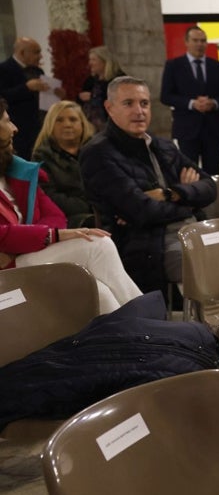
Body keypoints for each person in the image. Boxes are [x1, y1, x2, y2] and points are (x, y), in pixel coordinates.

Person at [80, 76, 219, 304]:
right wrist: (189, 199)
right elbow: (143, 211)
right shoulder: (98, 153)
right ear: (109, 108)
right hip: (151, 244)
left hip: (197, 228)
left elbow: (210, 187)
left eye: (144, 103)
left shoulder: (163, 146)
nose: (139, 111)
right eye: (128, 103)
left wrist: (171, 194)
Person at [0, 100, 142, 314]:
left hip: (24, 256)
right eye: (7, 121)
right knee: (98, 244)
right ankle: (148, 321)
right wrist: (50, 236)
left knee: (97, 289)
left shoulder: (15, 171)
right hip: (7, 271)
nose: (15, 128)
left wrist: (37, 236)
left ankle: (136, 337)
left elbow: (55, 215)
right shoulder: (41, 158)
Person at [160, 26, 219, 175]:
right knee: (190, 173)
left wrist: (213, 103)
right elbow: (165, 96)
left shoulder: (218, 66)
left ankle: (213, 198)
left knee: (213, 173)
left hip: (214, 129)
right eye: (195, 40)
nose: (199, 44)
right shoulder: (174, 66)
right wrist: (191, 103)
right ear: (186, 42)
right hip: (187, 129)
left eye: (203, 41)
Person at [32, 100, 96, 228]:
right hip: (67, 219)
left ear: (82, 124)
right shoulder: (41, 157)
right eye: (59, 120)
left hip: (103, 212)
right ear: (50, 125)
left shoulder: (97, 151)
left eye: (73, 119)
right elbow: (48, 197)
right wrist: (90, 206)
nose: (67, 124)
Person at [0, 38, 52, 159]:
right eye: (36, 52)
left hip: (38, 125)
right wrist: (26, 88)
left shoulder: (37, 70)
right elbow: (2, 97)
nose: (40, 56)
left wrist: (54, 92)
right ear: (23, 52)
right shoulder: (3, 69)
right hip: (18, 129)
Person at [77, 46, 125, 132]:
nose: (90, 63)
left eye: (93, 60)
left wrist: (93, 97)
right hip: (90, 127)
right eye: (90, 60)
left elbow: (121, 101)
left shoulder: (119, 79)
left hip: (112, 126)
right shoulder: (91, 80)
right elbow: (80, 100)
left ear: (105, 61)